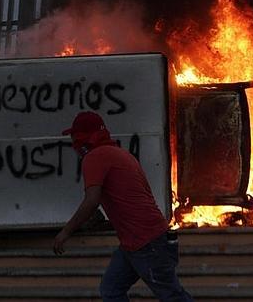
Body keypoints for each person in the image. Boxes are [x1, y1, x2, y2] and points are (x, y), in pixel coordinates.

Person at [53, 111, 193, 302]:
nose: (73, 144)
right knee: (111, 290)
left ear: (83, 139)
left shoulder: (94, 158)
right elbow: (134, 200)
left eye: (74, 137)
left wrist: (66, 232)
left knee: (171, 296)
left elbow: (91, 200)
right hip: (139, 241)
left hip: (146, 241)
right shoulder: (121, 155)